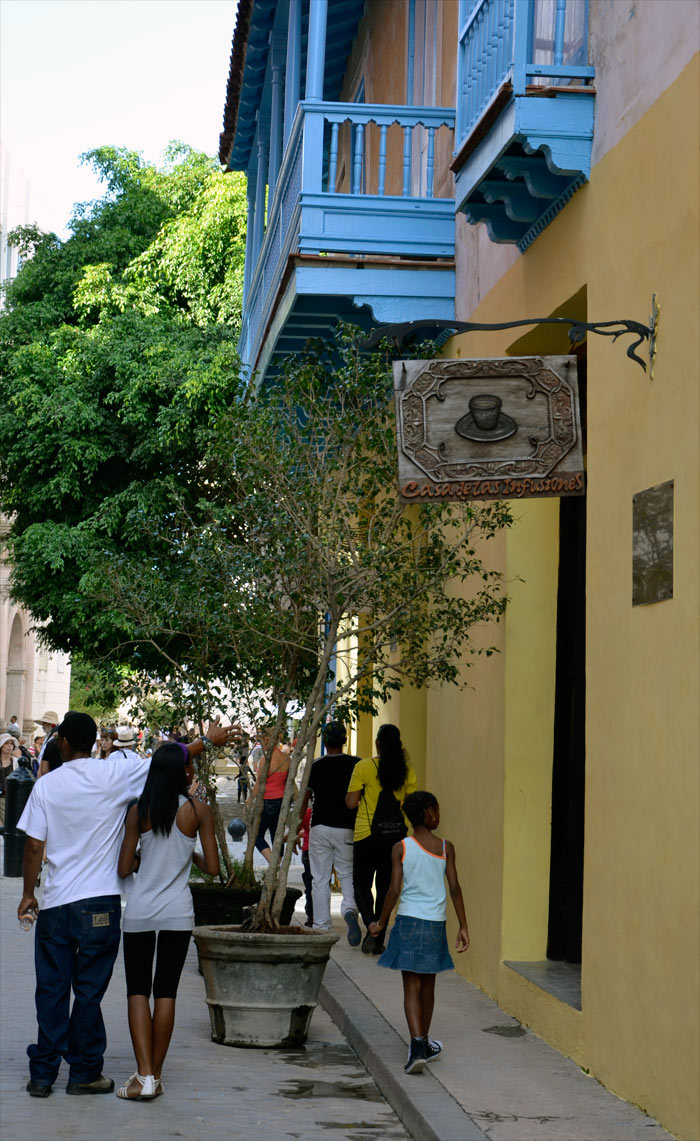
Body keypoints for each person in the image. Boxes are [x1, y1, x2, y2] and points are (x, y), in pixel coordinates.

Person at [17, 712, 236, 1098]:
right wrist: (206, 743)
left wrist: (27, 894)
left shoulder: (46, 786)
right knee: (89, 991)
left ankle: (43, 1074)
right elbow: (165, 761)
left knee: (51, 987)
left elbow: (34, 845)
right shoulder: (114, 775)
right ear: (95, 741)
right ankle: (85, 1072)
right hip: (102, 903)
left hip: (56, 904)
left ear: (63, 743)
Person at [116, 743, 219, 1100]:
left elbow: (124, 867)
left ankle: (142, 1075)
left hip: (141, 912)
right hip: (178, 913)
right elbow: (214, 869)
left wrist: (149, 856)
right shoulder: (198, 810)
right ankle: (154, 1076)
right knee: (166, 993)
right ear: (183, 773)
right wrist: (185, 850)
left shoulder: (138, 811)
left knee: (137, 991)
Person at [368, 790, 470, 1074]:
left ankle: (417, 1045)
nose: (438, 815)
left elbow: (394, 890)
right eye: (435, 810)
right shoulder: (446, 847)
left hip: (409, 923)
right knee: (428, 986)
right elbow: (455, 888)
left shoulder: (401, 848)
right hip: (435, 924)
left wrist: (380, 923)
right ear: (427, 813)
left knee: (410, 986)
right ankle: (422, 1042)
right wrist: (463, 925)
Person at [345, 724, 416, 954]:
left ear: (377, 743)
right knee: (387, 887)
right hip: (396, 838)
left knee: (361, 884)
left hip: (366, 835)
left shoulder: (364, 767)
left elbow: (351, 803)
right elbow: (412, 803)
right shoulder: (406, 771)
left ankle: (370, 926)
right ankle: (379, 935)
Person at [301, 721, 360, 944]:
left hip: (320, 827)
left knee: (319, 878)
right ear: (344, 740)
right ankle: (350, 909)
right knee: (347, 874)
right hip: (347, 828)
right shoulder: (357, 765)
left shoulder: (314, 766)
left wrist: (297, 823)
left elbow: (304, 801)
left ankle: (322, 926)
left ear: (325, 741)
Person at [251, 727, 291, 863]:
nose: (261, 744)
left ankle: (273, 863)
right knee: (276, 835)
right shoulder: (286, 758)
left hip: (268, 801)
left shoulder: (265, 760)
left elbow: (258, 785)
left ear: (267, 739)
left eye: (261, 740)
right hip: (281, 801)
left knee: (255, 835)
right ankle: (275, 869)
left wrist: (249, 800)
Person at [0, 731, 21, 825]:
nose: (9, 746)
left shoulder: (16, 762)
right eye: (6, 743)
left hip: (10, 799)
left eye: (11, 744)